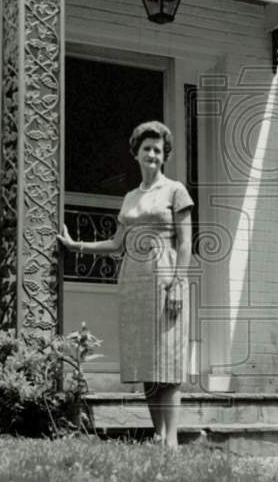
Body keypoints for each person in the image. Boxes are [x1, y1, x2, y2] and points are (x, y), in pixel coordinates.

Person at [57, 121, 193, 449]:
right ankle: (157, 433)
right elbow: (117, 242)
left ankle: (171, 440)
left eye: (158, 150)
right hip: (134, 280)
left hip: (165, 278)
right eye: (146, 148)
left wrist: (177, 284)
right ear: (136, 153)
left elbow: (186, 243)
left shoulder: (175, 190)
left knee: (169, 360)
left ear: (165, 156)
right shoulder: (130, 196)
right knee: (146, 360)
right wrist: (78, 246)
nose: (152, 154)